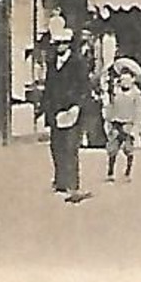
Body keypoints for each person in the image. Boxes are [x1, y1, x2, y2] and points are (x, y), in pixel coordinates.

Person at [43, 24, 89, 198]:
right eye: (56, 43)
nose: (59, 47)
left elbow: (84, 87)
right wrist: (46, 110)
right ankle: (60, 180)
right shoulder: (52, 62)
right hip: (56, 111)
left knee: (71, 147)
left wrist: (77, 106)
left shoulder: (78, 63)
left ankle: (72, 184)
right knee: (56, 146)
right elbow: (49, 87)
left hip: (72, 111)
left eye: (62, 43)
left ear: (68, 44)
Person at [103, 67, 141, 182]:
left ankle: (127, 172)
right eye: (122, 80)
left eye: (127, 79)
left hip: (129, 124)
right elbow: (110, 108)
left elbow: (139, 113)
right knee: (112, 149)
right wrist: (109, 122)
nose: (125, 82)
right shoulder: (115, 93)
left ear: (132, 80)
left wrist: (135, 130)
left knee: (128, 149)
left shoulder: (136, 95)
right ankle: (110, 171)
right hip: (116, 123)